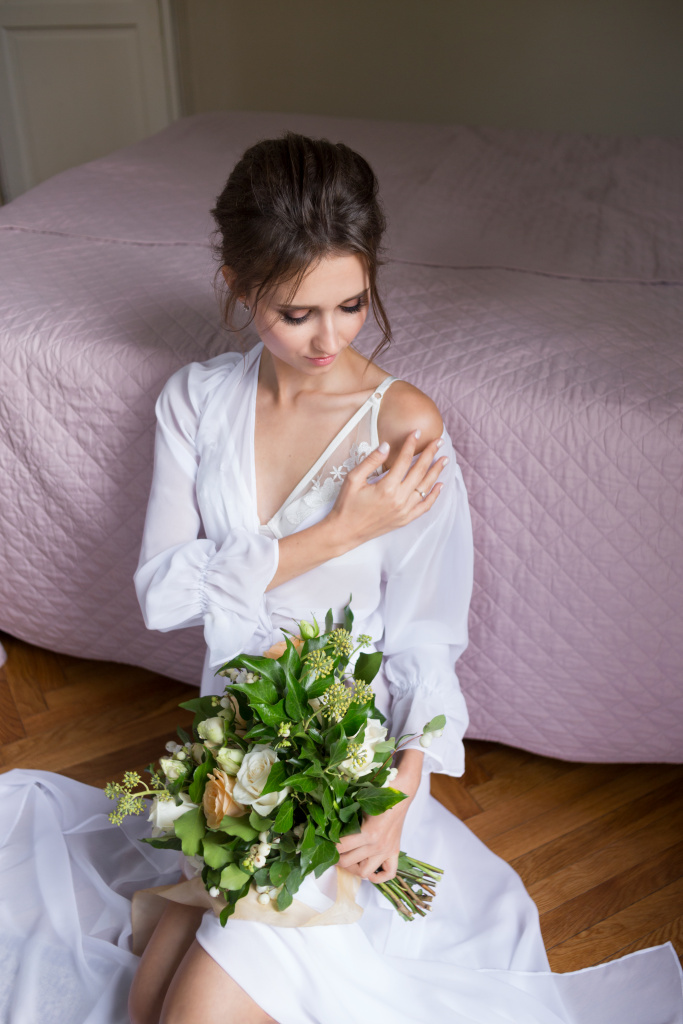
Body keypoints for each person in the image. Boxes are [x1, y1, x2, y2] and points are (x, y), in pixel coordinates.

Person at [0, 133, 679, 1024]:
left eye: (351, 304)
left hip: (348, 771)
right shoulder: (195, 403)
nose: (329, 339)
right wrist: (339, 532)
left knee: (188, 1013)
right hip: (230, 761)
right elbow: (163, 595)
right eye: (296, 313)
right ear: (238, 287)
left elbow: (426, 639)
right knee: (143, 1007)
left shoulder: (402, 427)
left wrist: (395, 802)